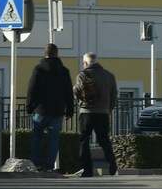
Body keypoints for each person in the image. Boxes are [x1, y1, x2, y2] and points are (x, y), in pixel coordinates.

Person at [26, 43, 74, 172]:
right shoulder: (64, 71)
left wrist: (29, 106)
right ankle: (49, 167)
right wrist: (70, 110)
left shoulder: (38, 69)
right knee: (54, 139)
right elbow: (69, 92)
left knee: (37, 136)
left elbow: (31, 89)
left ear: (45, 53)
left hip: (40, 111)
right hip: (57, 111)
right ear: (57, 53)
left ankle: (37, 165)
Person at [74, 52, 118, 177]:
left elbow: (77, 92)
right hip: (103, 112)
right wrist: (108, 109)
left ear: (86, 62)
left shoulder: (82, 75)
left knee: (84, 140)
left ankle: (87, 170)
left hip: (86, 112)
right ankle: (112, 163)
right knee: (104, 139)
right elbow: (114, 94)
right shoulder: (109, 75)